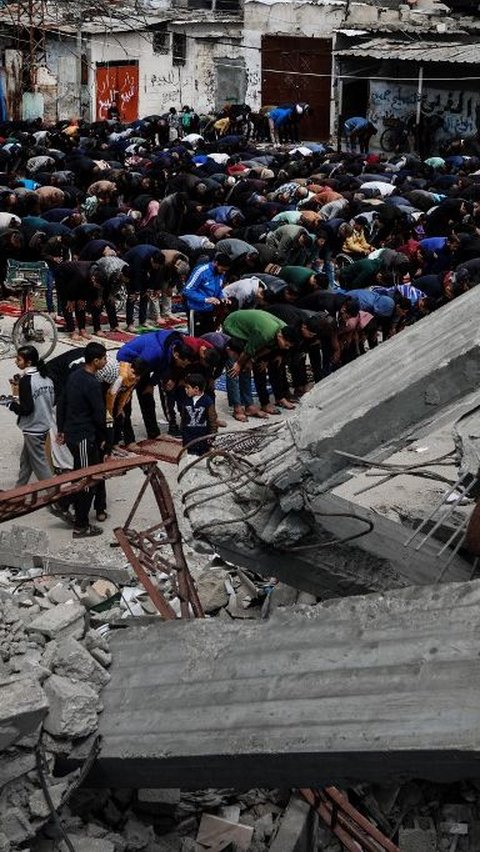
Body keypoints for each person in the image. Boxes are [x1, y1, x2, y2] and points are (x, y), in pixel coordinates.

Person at [56, 342, 109, 538]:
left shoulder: (74, 376)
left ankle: (63, 503)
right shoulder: (92, 383)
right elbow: (99, 414)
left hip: (71, 433)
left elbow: (62, 403)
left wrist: (61, 429)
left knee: (81, 473)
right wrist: (105, 438)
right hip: (84, 436)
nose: (106, 361)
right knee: (88, 480)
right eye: (104, 358)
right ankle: (81, 524)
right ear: (95, 361)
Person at [8, 345, 55, 486]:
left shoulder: (26, 381)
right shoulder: (46, 377)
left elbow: (26, 409)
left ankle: (55, 496)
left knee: (40, 464)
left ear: (28, 363)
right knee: (26, 461)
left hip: (33, 428)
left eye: (19, 359)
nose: (16, 362)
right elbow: (51, 400)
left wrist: (10, 404)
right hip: (44, 424)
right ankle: (19, 491)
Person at [183, 253, 231, 335]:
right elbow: (187, 290)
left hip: (209, 310)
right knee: (196, 337)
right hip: (196, 309)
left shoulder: (220, 274)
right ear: (215, 263)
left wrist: (222, 297)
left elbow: (218, 289)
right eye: (222, 269)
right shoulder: (201, 271)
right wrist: (205, 299)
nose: (223, 272)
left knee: (209, 335)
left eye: (225, 270)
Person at [180, 372, 217, 456]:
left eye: (188, 388)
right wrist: (182, 431)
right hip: (188, 437)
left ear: (196, 389)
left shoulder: (208, 401)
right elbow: (183, 417)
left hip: (203, 438)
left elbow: (212, 420)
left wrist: (212, 436)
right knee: (190, 458)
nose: (185, 389)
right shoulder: (186, 400)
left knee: (203, 458)